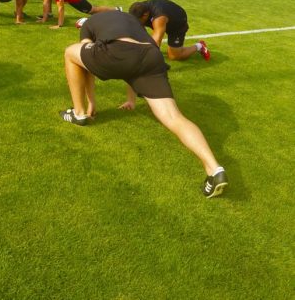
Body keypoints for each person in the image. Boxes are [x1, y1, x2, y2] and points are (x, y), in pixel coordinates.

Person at [61, 10, 228, 198]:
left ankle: (79, 113)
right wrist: (131, 99)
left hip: (120, 53)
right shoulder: (129, 20)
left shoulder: (88, 25)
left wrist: (90, 103)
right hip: (151, 56)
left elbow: (86, 64)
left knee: (70, 53)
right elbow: (133, 56)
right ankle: (214, 169)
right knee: (173, 117)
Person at [129, 0, 210, 61]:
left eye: (138, 19)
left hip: (177, 22)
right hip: (164, 14)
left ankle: (200, 46)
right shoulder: (139, 9)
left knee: (174, 56)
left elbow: (156, 43)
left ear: (145, 15)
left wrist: (143, 63)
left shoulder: (159, 19)